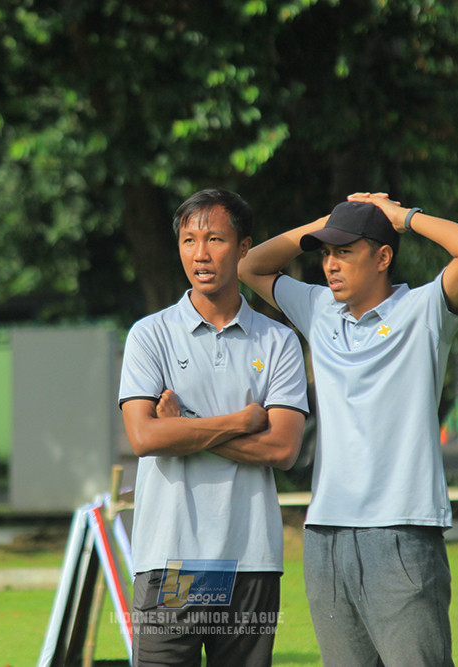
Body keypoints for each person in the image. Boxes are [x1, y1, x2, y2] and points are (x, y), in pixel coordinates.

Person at [238, 192, 458, 666]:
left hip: (402, 531)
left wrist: (400, 217)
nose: (329, 265)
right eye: (326, 253)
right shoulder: (318, 309)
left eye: (344, 251)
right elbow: (249, 266)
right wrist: (329, 221)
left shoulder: (424, 310)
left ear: (383, 257)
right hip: (325, 536)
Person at [118, 188, 310, 666]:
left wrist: (183, 428)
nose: (200, 254)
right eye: (189, 240)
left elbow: (283, 449)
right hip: (173, 560)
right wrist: (240, 422)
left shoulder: (279, 340)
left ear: (244, 248)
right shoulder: (150, 335)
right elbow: (144, 437)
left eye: (215, 239)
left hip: (251, 560)